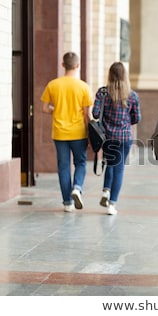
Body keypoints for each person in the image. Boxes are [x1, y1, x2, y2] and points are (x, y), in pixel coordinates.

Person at [41, 52, 93, 212]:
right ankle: (77, 187)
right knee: (81, 163)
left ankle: (67, 203)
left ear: (62, 65)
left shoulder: (53, 85)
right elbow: (86, 113)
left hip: (60, 132)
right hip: (78, 132)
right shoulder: (83, 87)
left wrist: (56, 110)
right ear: (77, 66)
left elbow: (44, 108)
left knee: (63, 166)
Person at [92, 62, 141, 215]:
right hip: (125, 136)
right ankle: (112, 204)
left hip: (107, 137)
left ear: (110, 75)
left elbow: (95, 113)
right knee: (118, 168)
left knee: (110, 163)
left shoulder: (103, 93)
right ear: (124, 75)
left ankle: (106, 190)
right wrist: (125, 122)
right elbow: (136, 118)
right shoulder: (132, 95)